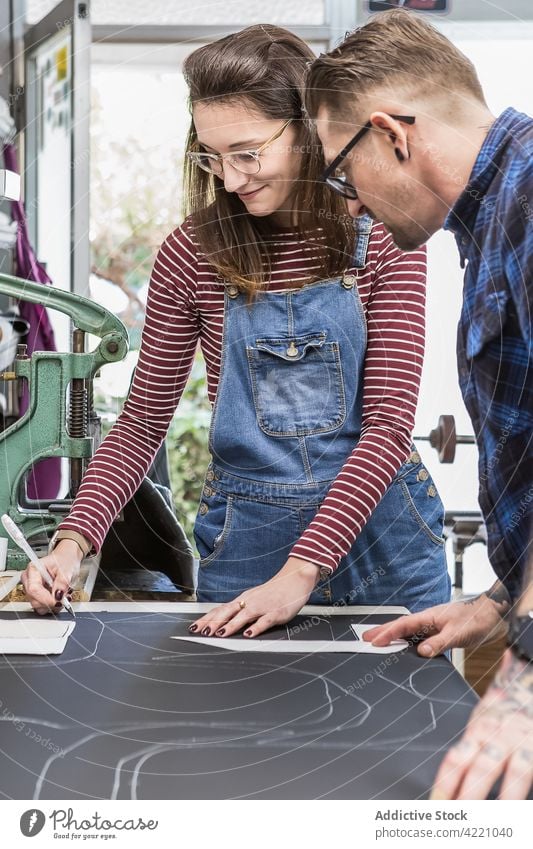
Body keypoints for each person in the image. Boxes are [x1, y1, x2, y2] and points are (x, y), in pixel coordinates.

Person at [22, 24, 450, 637]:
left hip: (385, 543)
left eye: (248, 153)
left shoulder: (382, 230)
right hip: (249, 543)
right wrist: (72, 542)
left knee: (407, 729)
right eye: (212, 156)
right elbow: (143, 422)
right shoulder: (192, 253)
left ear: (309, 129)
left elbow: (386, 426)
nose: (229, 179)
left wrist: (300, 573)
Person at [305, 8, 532, 799]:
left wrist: (523, 677)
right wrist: (499, 600)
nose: (352, 206)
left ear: (391, 135)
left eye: (341, 173)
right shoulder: (492, 215)